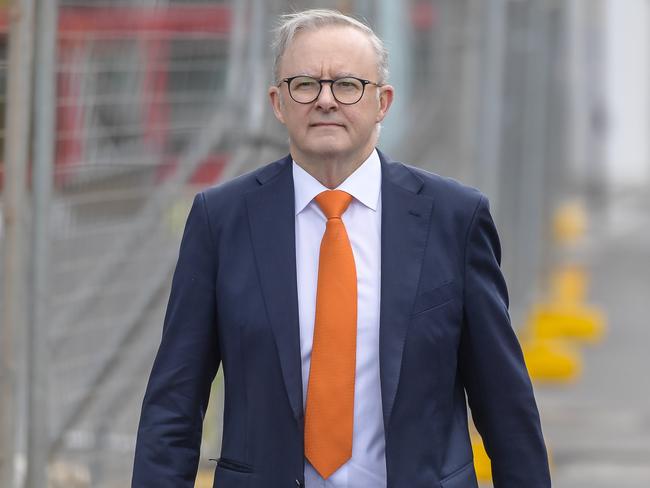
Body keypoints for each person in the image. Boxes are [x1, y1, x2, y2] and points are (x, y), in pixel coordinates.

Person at [132, 9, 551, 488]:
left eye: (348, 85)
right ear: (277, 102)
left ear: (382, 102)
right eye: (305, 84)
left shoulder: (454, 217)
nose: (326, 101)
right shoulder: (221, 220)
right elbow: (174, 403)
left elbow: (505, 406)